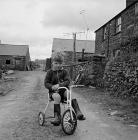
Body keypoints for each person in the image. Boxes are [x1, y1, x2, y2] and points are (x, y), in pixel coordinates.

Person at [44, 52, 85, 126]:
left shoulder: (64, 72)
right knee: (57, 97)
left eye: (60, 63)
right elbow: (46, 83)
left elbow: (67, 81)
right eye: (56, 63)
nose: (58, 65)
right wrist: (52, 87)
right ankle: (57, 117)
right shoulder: (49, 72)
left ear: (62, 63)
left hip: (63, 91)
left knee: (69, 94)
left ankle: (78, 112)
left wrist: (59, 85)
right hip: (53, 92)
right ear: (52, 63)